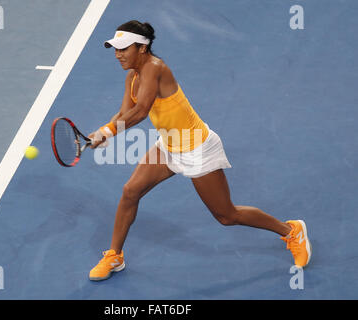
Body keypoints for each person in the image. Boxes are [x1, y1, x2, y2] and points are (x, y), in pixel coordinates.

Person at [87, 20, 311, 281]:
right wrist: (103, 131)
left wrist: (110, 131)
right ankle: (114, 255)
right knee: (130, 192)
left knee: (227, 216)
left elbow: (141, 111)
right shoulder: (132, 76)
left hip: (198, 148)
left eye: (124, 48)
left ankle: (291, 230)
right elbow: (126, 112)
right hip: (170, 144)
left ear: (142, 48)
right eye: (115, 48)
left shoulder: (156, 68)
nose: (118, 54)